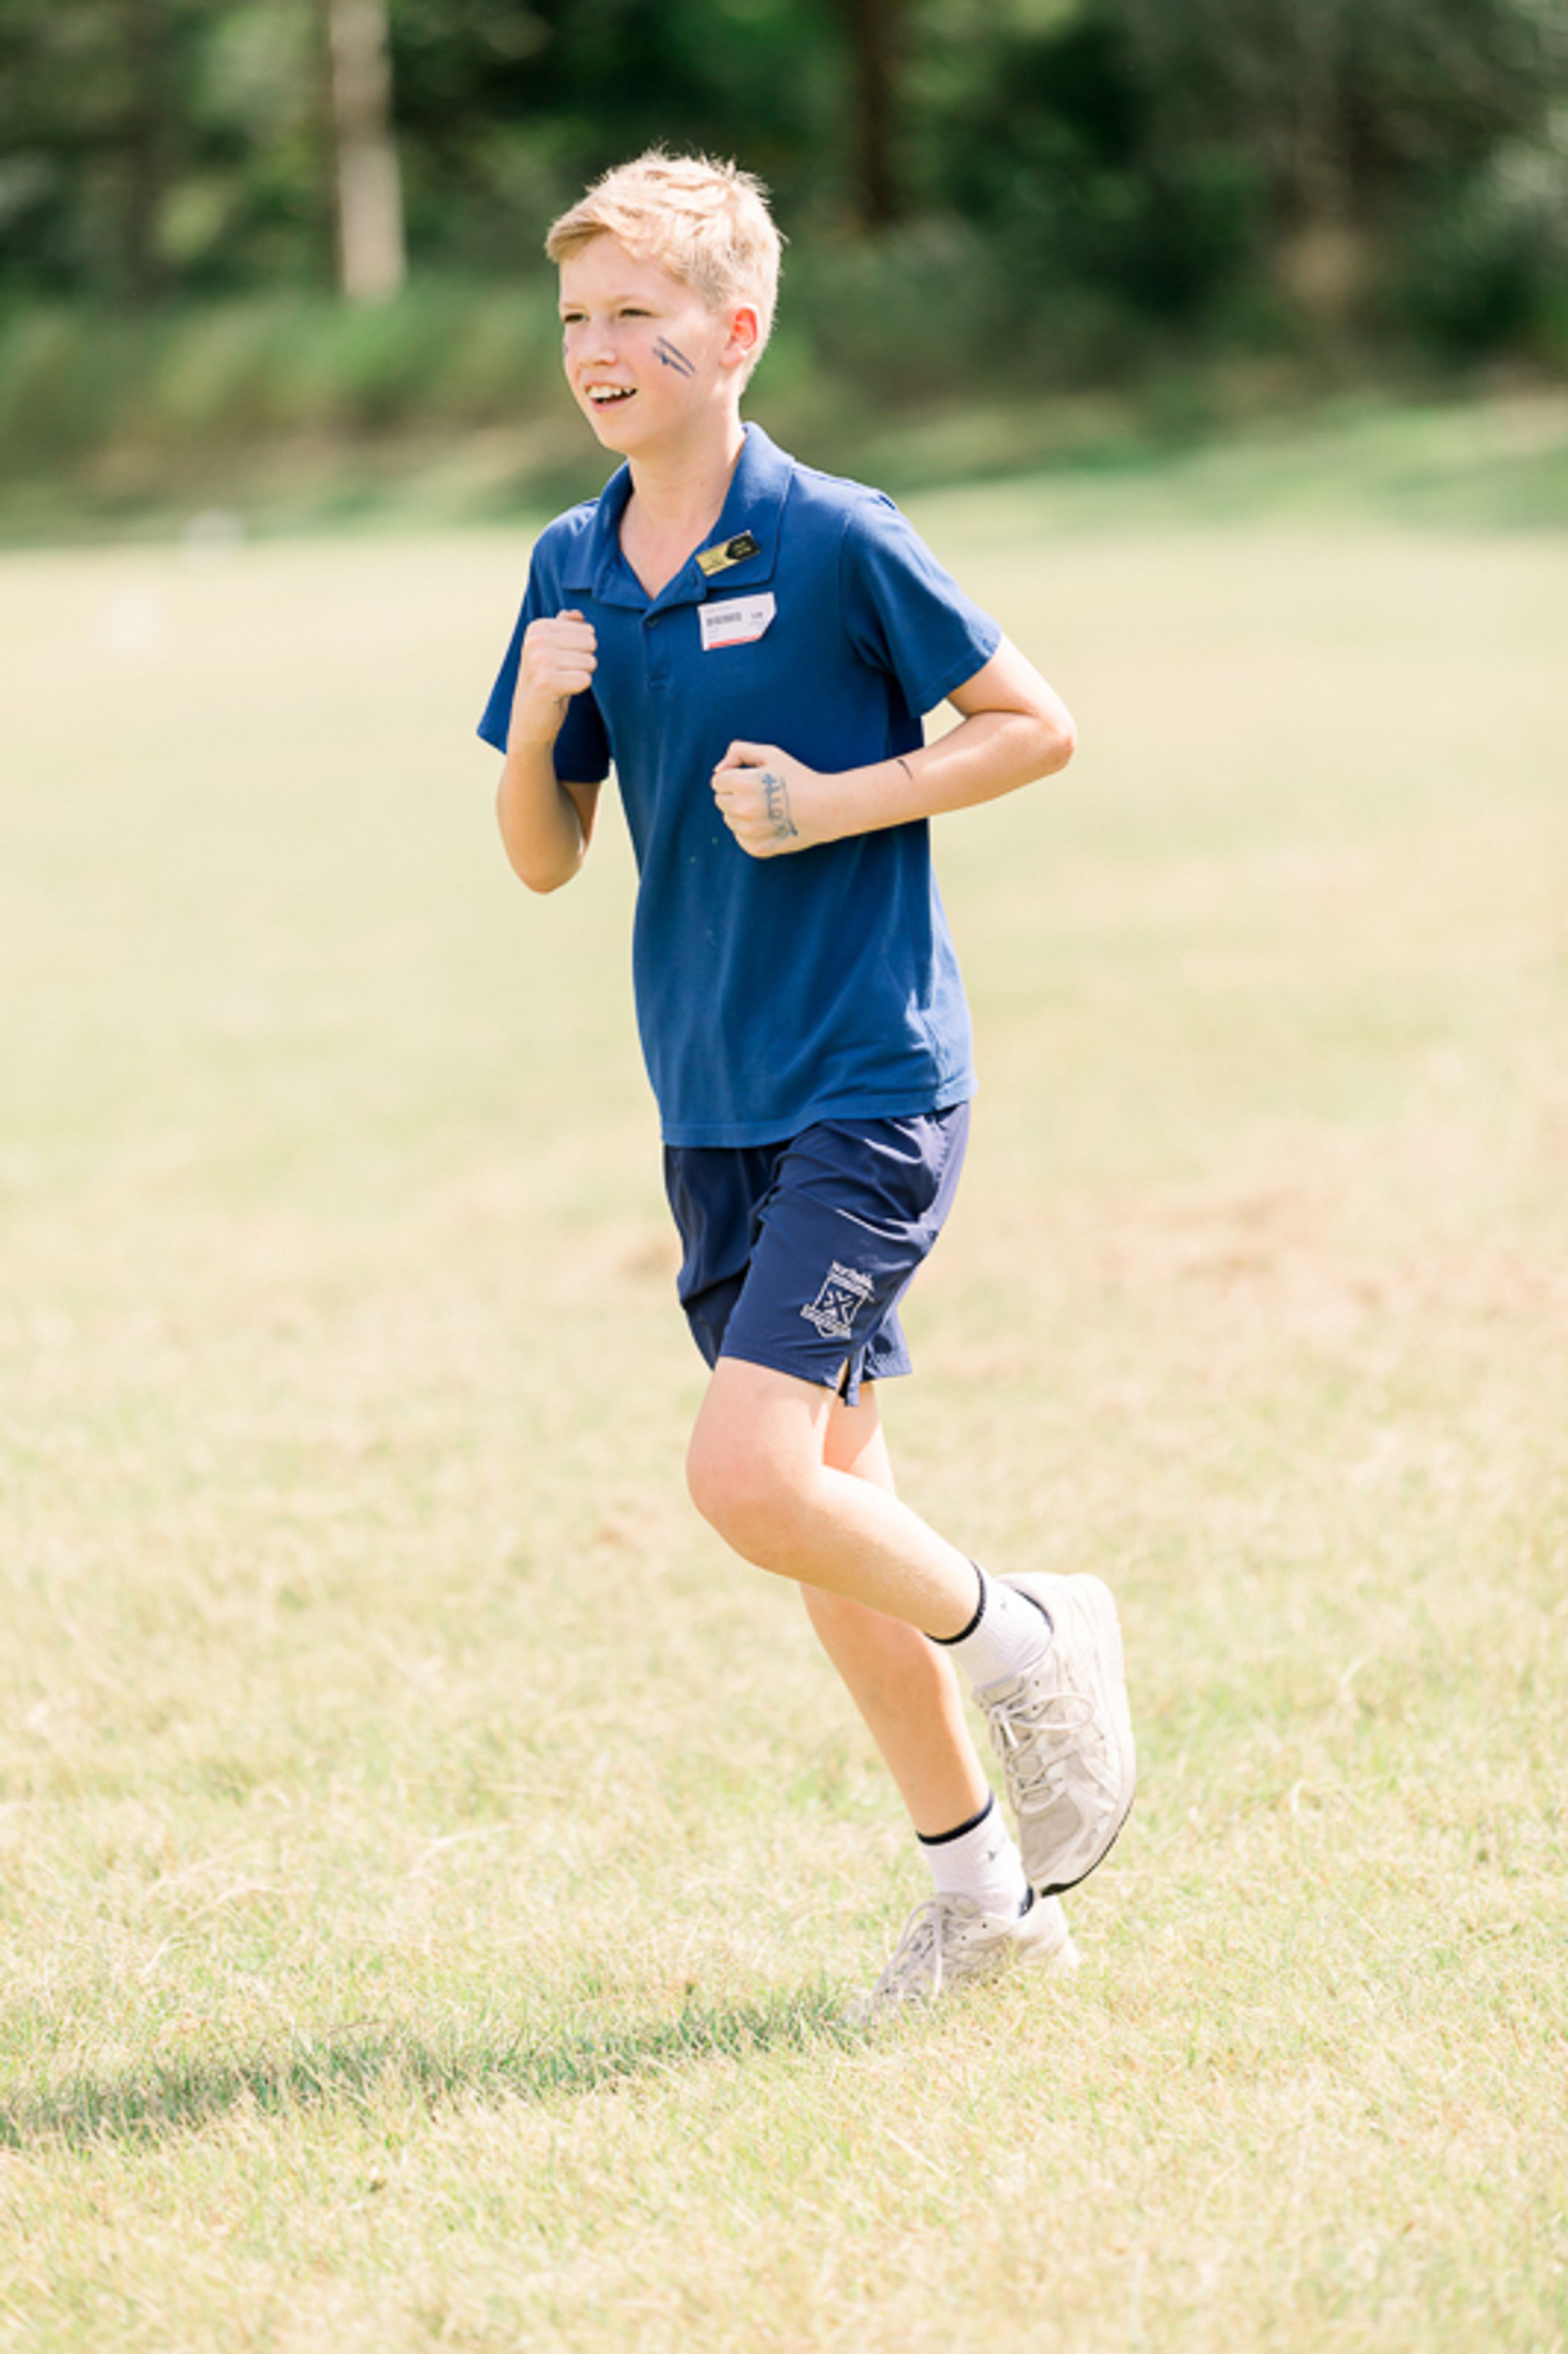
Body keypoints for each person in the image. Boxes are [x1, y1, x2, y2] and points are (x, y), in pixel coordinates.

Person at [478, 151, 1135, 2020]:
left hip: (867, 1081)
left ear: (737, 328)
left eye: (636, 312)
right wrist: (543, 711)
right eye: (576, 317)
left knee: (748, 1476)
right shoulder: (571, 560)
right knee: (828, 1512)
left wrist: (837, 799)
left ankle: (1034, 1636)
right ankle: (983, 1899)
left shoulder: (839, 535)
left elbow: (1034, 725)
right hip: (709, 1100)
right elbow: (541, 856)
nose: (597, 348)